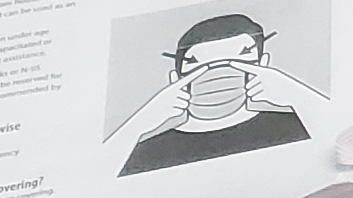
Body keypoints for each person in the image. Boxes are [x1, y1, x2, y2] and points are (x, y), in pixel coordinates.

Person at [116, 14, 313, 175]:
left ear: (264, 65)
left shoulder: (295, 126)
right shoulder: (148, 153)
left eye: (236, 62)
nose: (219, 75)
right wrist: (140, 124)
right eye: (201, 67)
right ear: (175, 78)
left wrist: (296, 97)